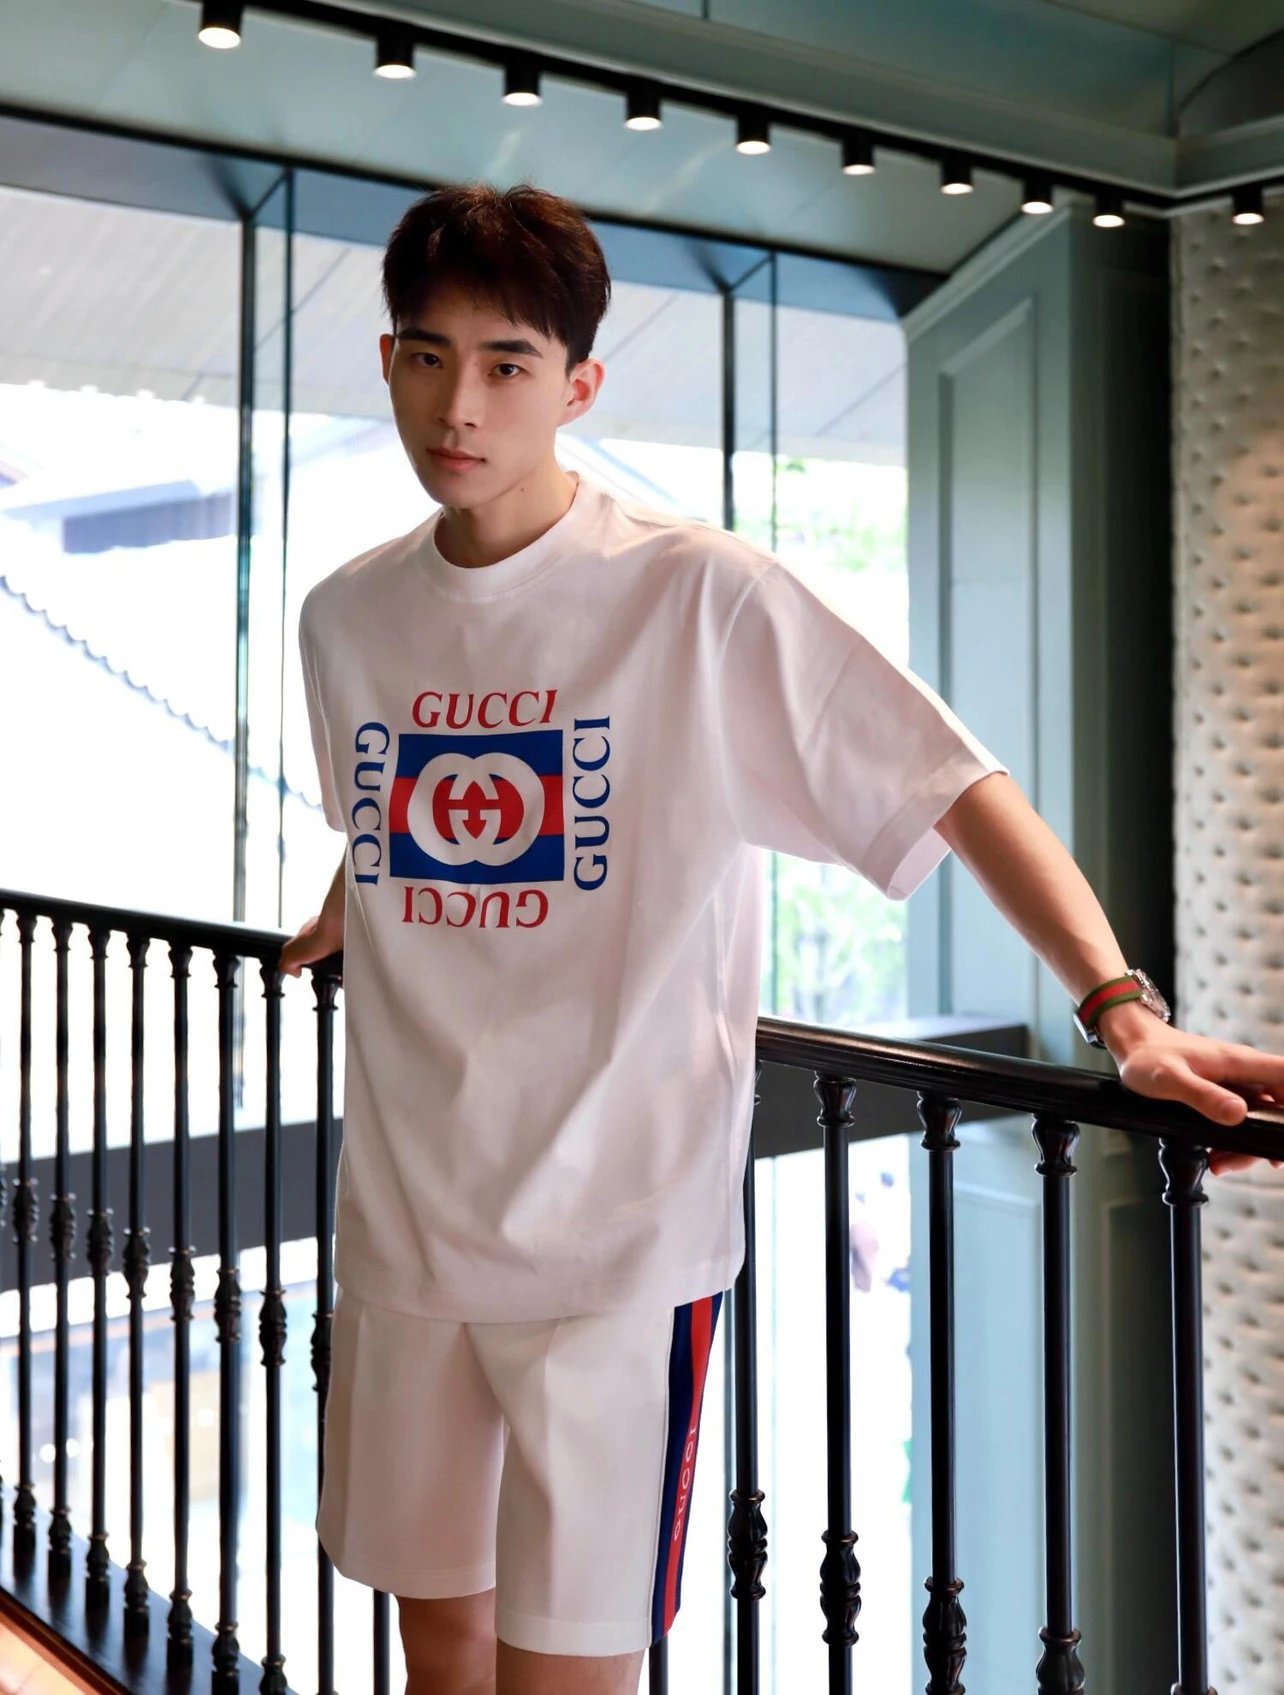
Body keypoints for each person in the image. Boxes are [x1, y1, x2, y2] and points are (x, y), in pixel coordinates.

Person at [279, 181, 1284, 1695]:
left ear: (578, 386)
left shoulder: (694, 595)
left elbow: (952, 784)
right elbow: (392, 812)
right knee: (440, 1658)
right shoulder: (343, 618)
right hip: (405, 1230)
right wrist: (350, 897)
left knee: (568, 1676)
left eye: (506, 363)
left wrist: (1122, 1012)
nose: (460, 404)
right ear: (388, 361)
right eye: (429, 356)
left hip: (617, 1254)